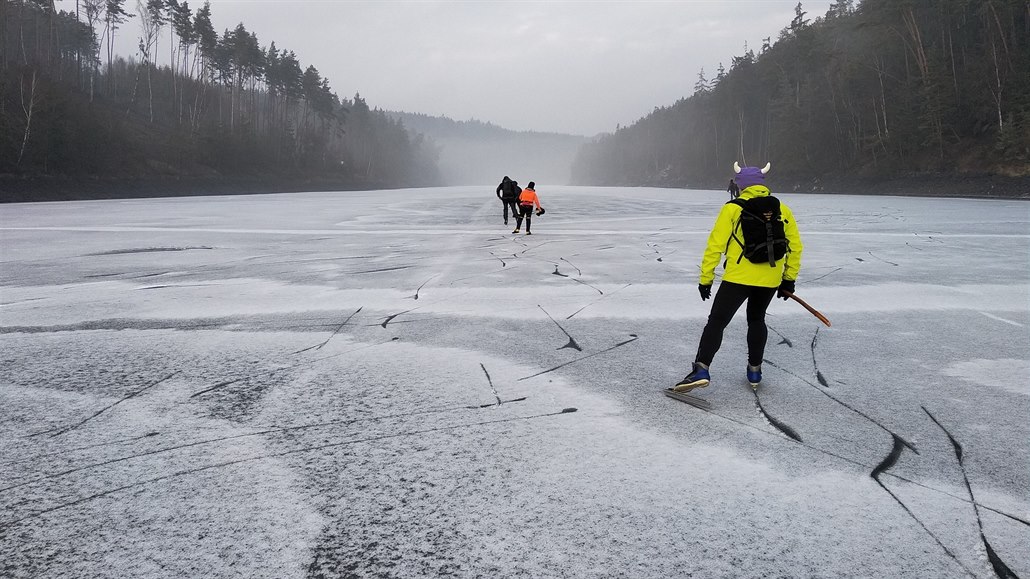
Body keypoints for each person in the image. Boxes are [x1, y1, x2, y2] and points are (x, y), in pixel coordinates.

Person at [673, 162, 803, 392]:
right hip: (770, 279)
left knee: (717, 321)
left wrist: (706, 279)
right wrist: (788, 279)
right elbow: (795, 247)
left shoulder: (732, 208)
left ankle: (701, 369)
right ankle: (755, 370)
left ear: (740, 184)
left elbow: (715, 246)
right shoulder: (782, 208)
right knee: (757, 319)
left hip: (738, 278)